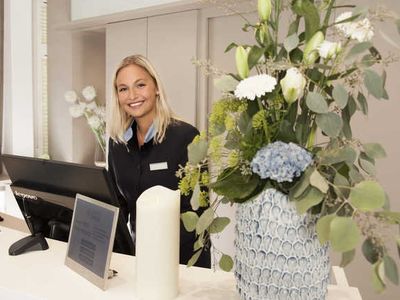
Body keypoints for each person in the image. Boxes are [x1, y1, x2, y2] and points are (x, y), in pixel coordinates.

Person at [107, 54, 210, 268]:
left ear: (156, 88)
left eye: (140, 85)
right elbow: (118, 204)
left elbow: (197, 209)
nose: (132, 95)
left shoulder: (187, 137)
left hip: (183, 260)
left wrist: (157, 254)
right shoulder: (117, 143)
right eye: (123, 88)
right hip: (139, 257)